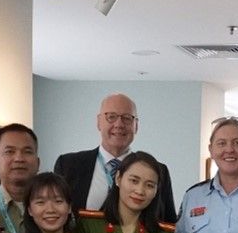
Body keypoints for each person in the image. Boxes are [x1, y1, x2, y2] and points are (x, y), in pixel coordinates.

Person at [53, 92, 176, 222]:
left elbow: (168, 223)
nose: (119, 124)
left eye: (127, 118)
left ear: (136, 126)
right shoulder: (68, 165)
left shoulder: (158, 171)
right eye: (111, 117)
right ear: (99, 122)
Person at [0, 123, 41, 233]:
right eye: (9, 152)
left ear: (38, 163)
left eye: (27, 152)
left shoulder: (53, 207)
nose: (19, 158)